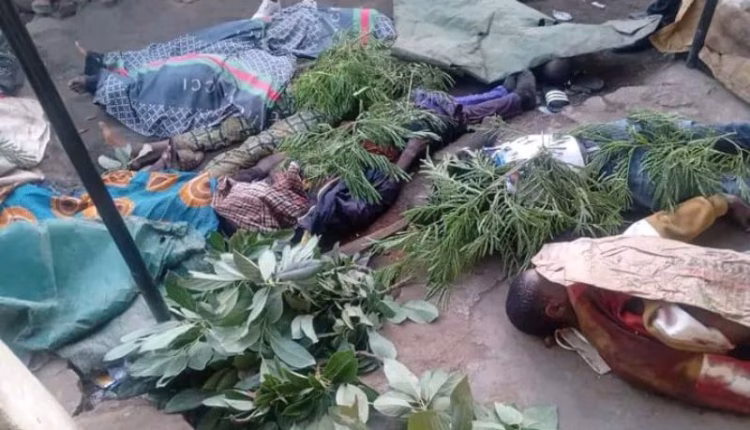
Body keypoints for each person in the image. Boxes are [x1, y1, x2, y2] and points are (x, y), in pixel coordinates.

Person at [505, 193, 750, 414]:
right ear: (554, 308)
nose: (557, 267)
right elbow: (698, 375)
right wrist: (720, 204)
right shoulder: (622, 344)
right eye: (549, 274)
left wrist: (720, 205)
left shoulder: (617, 346)